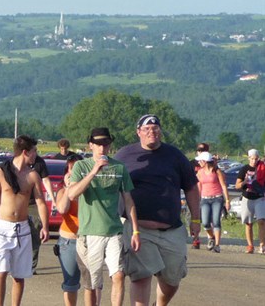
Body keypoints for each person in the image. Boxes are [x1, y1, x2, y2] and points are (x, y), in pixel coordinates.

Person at [114, 114, 200, 306]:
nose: (151, 132)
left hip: (172, 229)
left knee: (172, 279)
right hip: (139, 229)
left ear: (160, 131)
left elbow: (192, 188)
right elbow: (111, 183)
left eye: (155, 128)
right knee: (141, 276)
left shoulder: (175, 156)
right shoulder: (124, 155)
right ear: (138, 132)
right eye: (146, 129)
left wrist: (195, 220)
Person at [67, 127, 140, 306]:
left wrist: (136, 231)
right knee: (92, 284)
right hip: (90, 232)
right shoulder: (81, 166)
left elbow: (129, 201)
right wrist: (94, 171)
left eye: (106, 144)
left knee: (119, 275)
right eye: (98, 144)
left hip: (114, 230)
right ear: (90, 145)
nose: (102, 148)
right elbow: (72, 194)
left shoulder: (119, 168)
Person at [0, 135, 49, 306]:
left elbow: (41, 202)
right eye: (34, 151)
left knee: (19, 276)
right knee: (1, 271)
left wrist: (45, 227)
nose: (36, 154)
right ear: (26, 152)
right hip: (1, 228)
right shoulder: (1, 172)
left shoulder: (33, 176)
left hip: (22, 229)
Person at [55, 154, 101, 306]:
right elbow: (62, 209)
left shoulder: (90, 191)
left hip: (90, 239)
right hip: (69, 240)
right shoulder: (62, 191)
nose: (73, 171)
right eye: (70, 168)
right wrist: (69, 189)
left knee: (92, 283)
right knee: (71, 283)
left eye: (77, 168)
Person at [195, 151, 230, 253]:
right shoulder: (200, 172)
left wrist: (227, 200)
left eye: (200, 161)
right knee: (205, 223)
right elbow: (199, 187)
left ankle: (217, 245)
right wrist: (197, 200)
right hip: (205, 198)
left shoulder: (216, 171)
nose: (199, 163)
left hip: (217, 198)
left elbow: (223, 185)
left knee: (216, 221)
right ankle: (211, 237)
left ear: (205, 161)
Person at [235, 149, 265, 254]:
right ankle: (250, 245)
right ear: (249, 158)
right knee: (248, 223)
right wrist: (245, 181)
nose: (254, 161)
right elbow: (237, 186)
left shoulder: (262, 168)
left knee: (261, 221)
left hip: (259, 197)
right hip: (247, 198)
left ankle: (262, 245)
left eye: (256, 159)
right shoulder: (244, 169)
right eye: (252, 159)